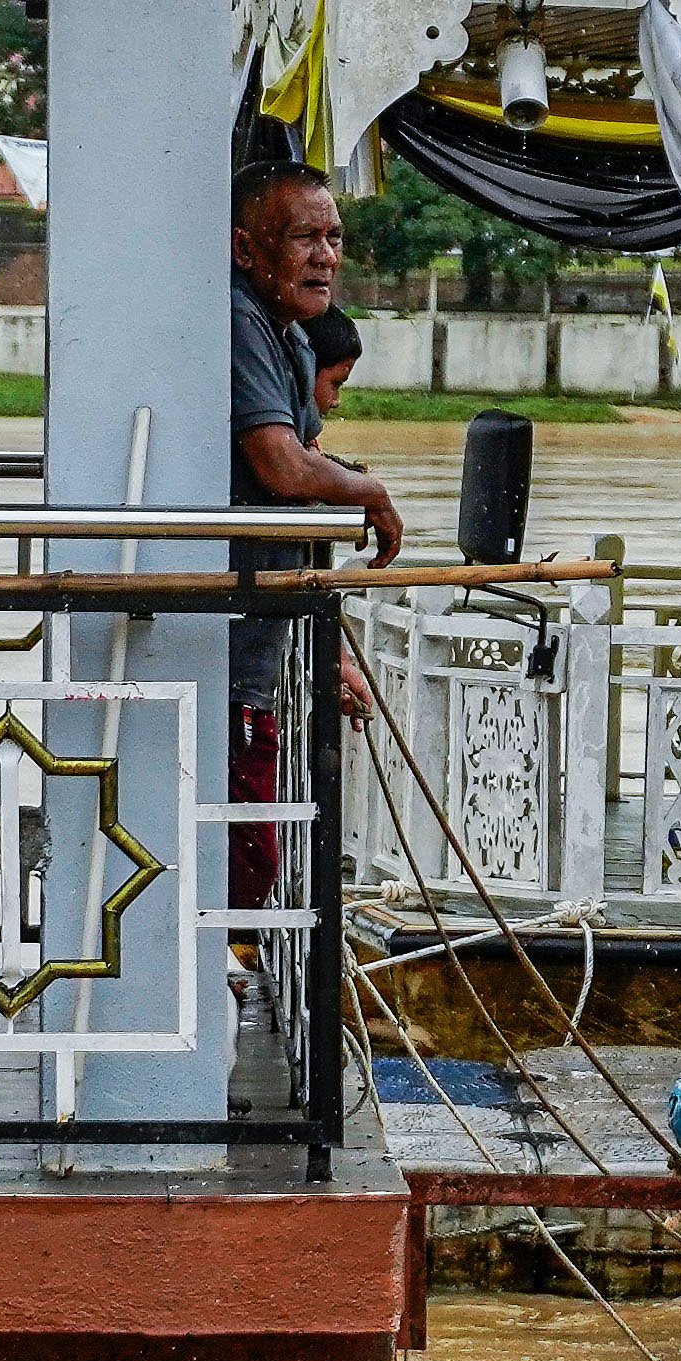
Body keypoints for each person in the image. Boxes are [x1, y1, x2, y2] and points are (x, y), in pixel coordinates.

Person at [230, 162, 399, 910]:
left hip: (262, 635)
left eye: (333, 236)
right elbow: (281, 466)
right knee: (245, 852)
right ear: (245, 249)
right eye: (302, 237)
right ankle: (214, 988)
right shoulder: (237, 321)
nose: (324, 255)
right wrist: (369, 492)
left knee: (249, 840)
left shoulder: (292, 337)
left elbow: (302, 471)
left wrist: (326, 650)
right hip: (219, 633)